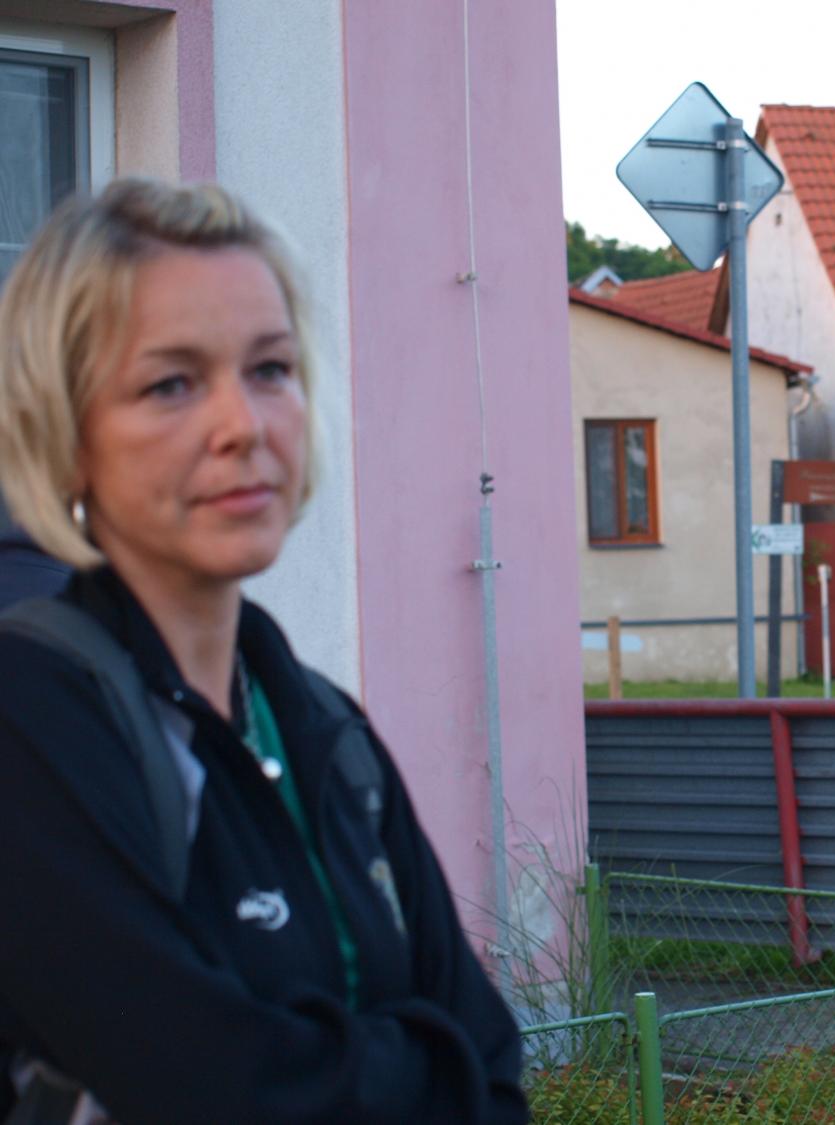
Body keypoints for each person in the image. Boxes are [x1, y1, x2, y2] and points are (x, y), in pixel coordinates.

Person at [0, 179, 529, 1123]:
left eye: (271, 369)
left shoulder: (326, 727)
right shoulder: (29, 719)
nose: (243, 425)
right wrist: (426, 1064)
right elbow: (213, 1087)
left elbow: (496, 1068)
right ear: (65, 432)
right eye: (171, 383)